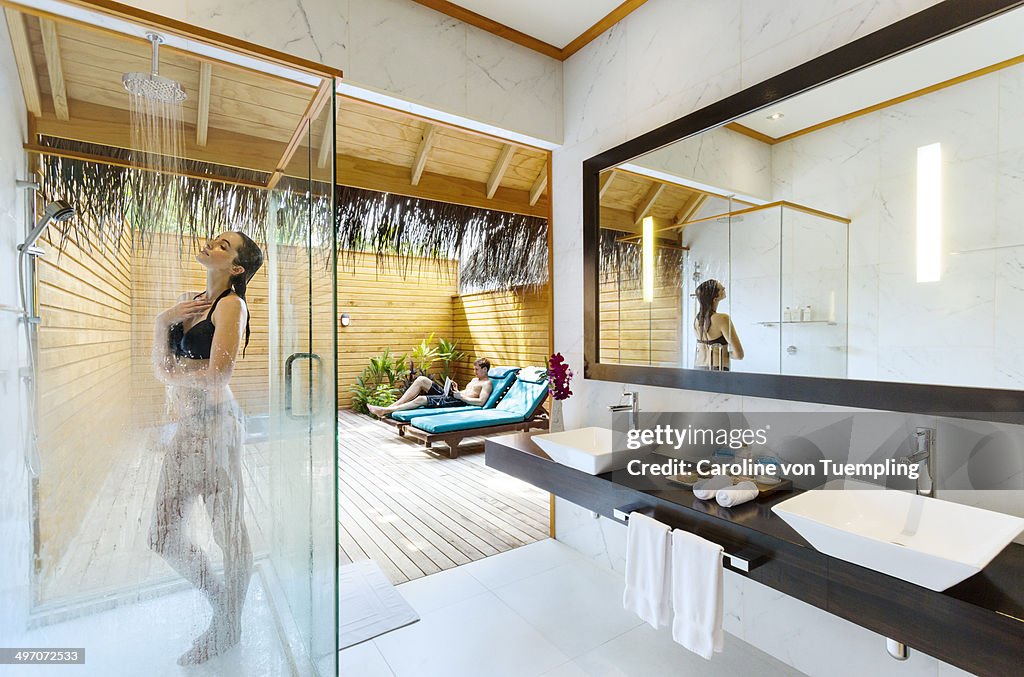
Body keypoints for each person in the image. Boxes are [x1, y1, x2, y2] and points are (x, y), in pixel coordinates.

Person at [149, 231, 263, 665]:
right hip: (188, 427)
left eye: (223, 246)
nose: (211, 245)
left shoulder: (232, 305)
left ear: (236, 268)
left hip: (217, 427)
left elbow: (217, 377)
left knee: (227, 534)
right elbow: (161, 365)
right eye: (214, 240)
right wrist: (162, 322)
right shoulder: (187, 302)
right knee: (161, 535)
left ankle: (227, 624)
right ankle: (225, 605)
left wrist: (173, 372)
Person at [368, 357, 493, 418]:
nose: (474, 371)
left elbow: (481, 402)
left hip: (459, 402)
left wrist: (461, 396)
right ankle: (391, 407)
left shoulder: (486, 384)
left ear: (485, 369)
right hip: (454, 397)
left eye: (476, 369)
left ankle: (385, 411)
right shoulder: (474, 380)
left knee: (422, 399)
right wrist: (456, 390)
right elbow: (467, 393)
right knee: (422, 380)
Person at [693, 279, 744, 371]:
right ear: (715, 298)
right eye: (721, 288)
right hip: (717, 369)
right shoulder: (723, 319)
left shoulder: (696, 320)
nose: (724, 288)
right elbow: (739, 355)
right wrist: (725, 354)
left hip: (698, 368)